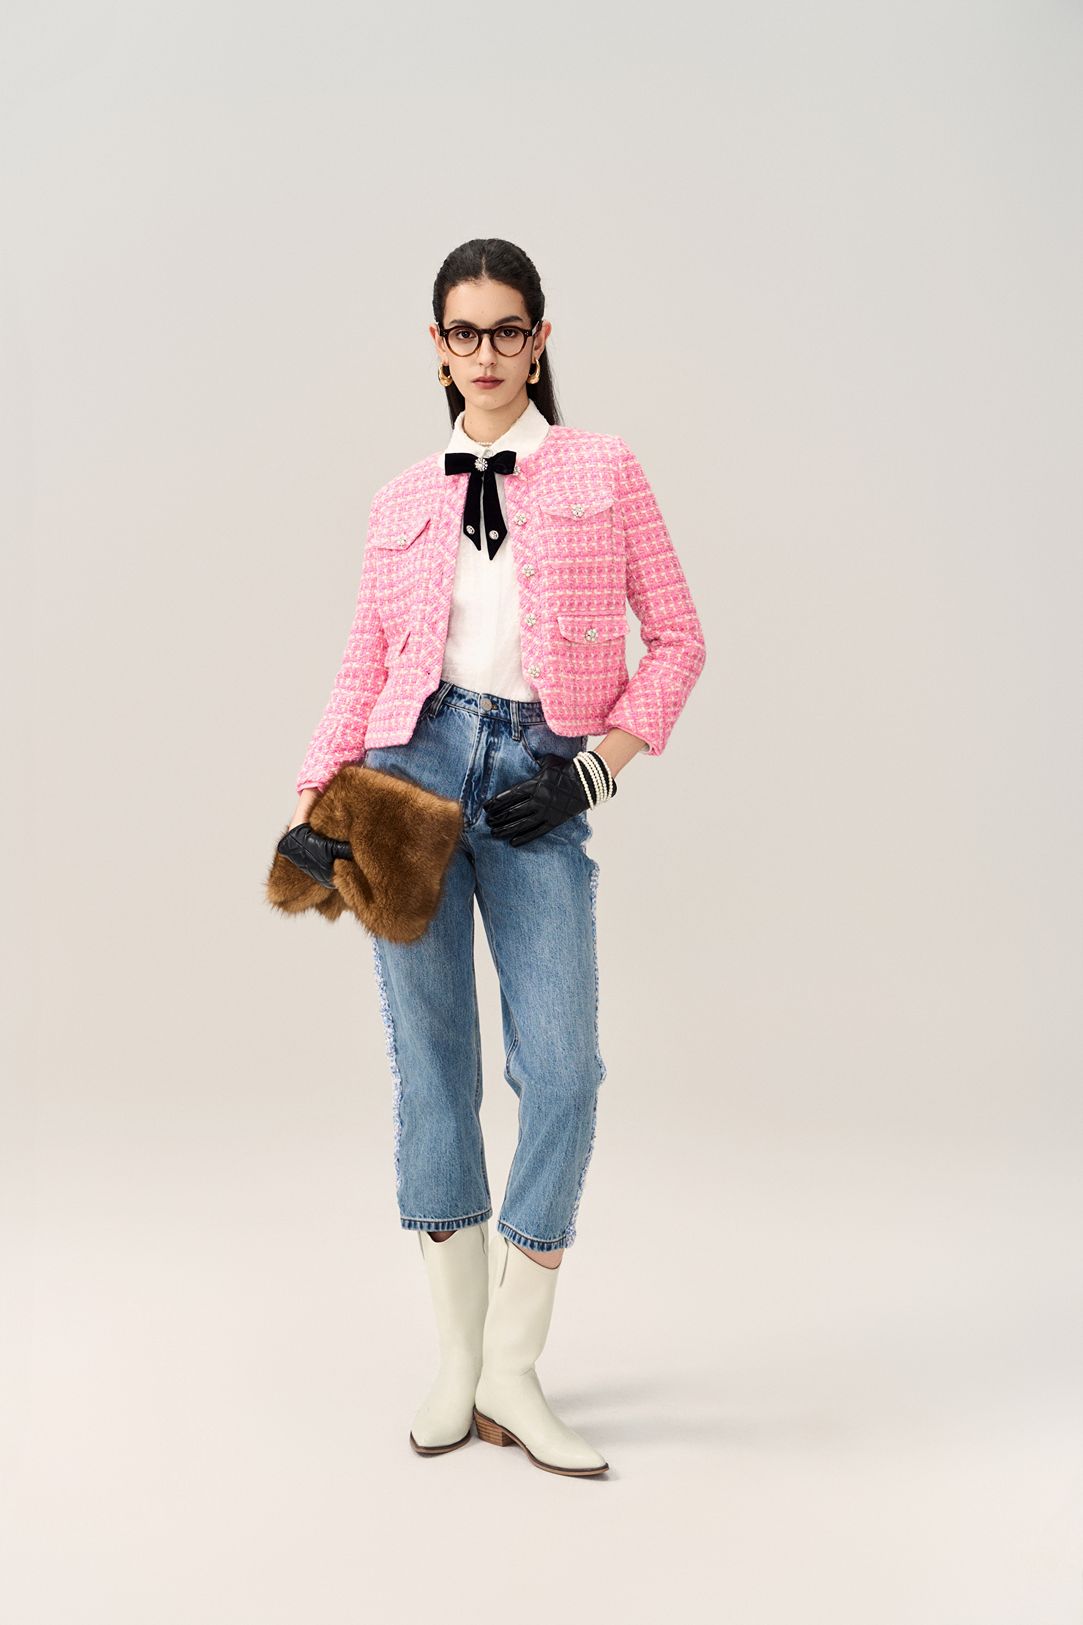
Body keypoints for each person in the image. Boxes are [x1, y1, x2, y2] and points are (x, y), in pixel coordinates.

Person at [284, 238, 707, 1477]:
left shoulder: (604, 468)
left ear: (540, 339)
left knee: (563, 1070)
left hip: (538, 772)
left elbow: (679, 637)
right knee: (432, 1067)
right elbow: (365, 659)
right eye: (462, 332)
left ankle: (517, 1367)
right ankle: (458, 1359)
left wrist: (594, 769)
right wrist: (313, 797)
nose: (486, 353)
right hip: (407, 776)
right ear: (436, 346)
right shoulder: (399, 498)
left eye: (507, 330)